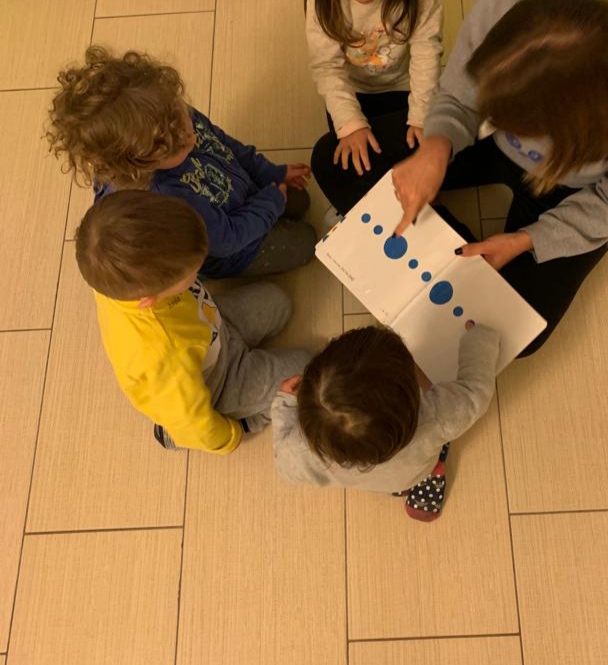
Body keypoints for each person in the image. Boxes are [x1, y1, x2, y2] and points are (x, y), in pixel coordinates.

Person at [392, 0, 608, 354]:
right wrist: (436, 146)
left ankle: (450, 246)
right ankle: (445, 241)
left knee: (516, 331)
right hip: (490, 143)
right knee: (349, 164)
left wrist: (527, 240)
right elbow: (460, 97)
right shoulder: (501, 8)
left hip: (573, 190)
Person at [48, 46, 316, 279]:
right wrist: (271, 202)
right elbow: (228, 240)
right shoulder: (167, 199)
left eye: (183, 115)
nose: (192, 136)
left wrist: (272, 173)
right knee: (307, 243)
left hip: (237, 199)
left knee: (301, 201)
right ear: (138, 165)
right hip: (232, 250)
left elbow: (227, 146)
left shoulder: (174, 119)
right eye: (176, 146)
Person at [75, 190, 311, 453]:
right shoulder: (164, 357)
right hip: (217, 383)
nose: (199, 269)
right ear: (149, 299)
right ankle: (242, 423)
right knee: (307, 369)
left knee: (277, 301)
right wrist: (230, 436)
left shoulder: (117, 276)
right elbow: (195, 427)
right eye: (193, 271)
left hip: (213, 327)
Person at [271, 322, 499, 521]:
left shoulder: (303, 452)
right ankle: (429, 476)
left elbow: (284, 464)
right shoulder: (436, 416)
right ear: (411, 393)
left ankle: (404, 488)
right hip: (415, 470)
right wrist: (479, 339)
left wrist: (284, 403)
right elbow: (475, 393)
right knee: (430, 459)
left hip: (378, 482)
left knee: (393, 482)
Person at [307, 0, 443, 217]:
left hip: (403, 88)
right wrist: (350, 123)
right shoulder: (323, 5)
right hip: (351, 91)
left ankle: (422, 211)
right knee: (347, 161)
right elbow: (327, 66)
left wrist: (420, 115)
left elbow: (426, 52)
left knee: (415, 156)